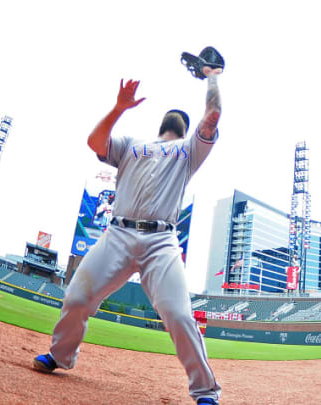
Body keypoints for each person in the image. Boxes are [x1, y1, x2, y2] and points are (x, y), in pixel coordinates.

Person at [32, 65, 223, 405]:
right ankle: (61, 356)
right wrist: (119, 108)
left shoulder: (187, 151)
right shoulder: (133, 144)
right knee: (77, 299)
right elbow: (94, 142)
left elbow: (212, 115)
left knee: (178, 315)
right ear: (167, 123)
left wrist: (212, 75)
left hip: (162, 242)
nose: (180, 118)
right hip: (117, 233)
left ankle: (205, 391)